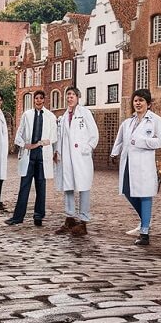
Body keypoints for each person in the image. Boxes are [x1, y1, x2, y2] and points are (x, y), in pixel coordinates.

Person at [110, 89, 161, 246]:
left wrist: (142, 141)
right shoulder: (128, 122)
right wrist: (114, 154)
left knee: (145, 195)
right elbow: (120, 140)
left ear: (148, 104)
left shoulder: (155, 120)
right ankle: (145, 221)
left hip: (144, 164)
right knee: (128, 191)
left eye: (141, 100)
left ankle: (144, 233)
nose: (138, 103)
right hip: (128, 162)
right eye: (136, 100)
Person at [53, 86, 100, 237]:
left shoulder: (84, 113)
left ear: (78, 97)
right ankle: (70, 218)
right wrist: (57, 151)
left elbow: (94, 133)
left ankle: (84, 222)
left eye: (72, 95)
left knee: (84, 187)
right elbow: (60, 137)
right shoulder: (63, 116)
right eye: (68, 95)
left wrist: (87, 148)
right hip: (66, 157)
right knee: (68, 187)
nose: (70, 97)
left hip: (81, 156)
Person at [6, 90, 56, 227]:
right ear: (34, 100)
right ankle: (17, 217)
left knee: (41, 187)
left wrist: (45, 142)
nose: (38, 100)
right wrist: (25, 145)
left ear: (44, 100)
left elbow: (54, 137)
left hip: (42, 156)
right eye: (36, 98)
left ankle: (38, 216)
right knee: (24, 187)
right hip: (29, 156)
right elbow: (18, 136)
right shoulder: (26, 115)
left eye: (41, 98)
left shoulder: (51, 116)